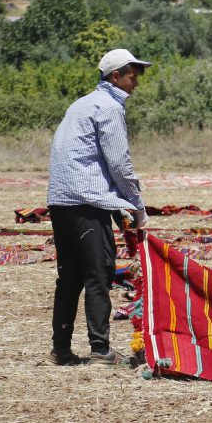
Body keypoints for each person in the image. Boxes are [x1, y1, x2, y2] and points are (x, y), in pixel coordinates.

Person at [46, 49, 151, 366]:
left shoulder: (82, 103)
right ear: (115, 76)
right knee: (98, 275)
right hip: (86, 201)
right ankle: (100, 351)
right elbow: (119, 164)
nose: (136, 82)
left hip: (61, 200)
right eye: (132, 75)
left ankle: (60, 351)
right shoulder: (108, 107)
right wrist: (137, 207)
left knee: (70, 278)